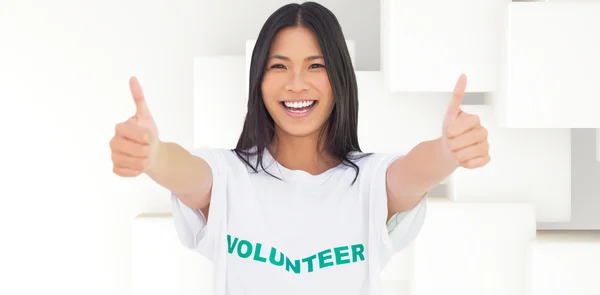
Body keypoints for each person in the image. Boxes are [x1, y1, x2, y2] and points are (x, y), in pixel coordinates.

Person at [109, 2, 490, 294]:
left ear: (338, 77)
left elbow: (410, 176)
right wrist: (153, 155)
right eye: (278, 67)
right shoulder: (230, 177)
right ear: (258, 79)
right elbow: (188, 174)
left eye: (315, 66)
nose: (296, 84)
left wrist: (448, 151)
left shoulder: (369, 181)